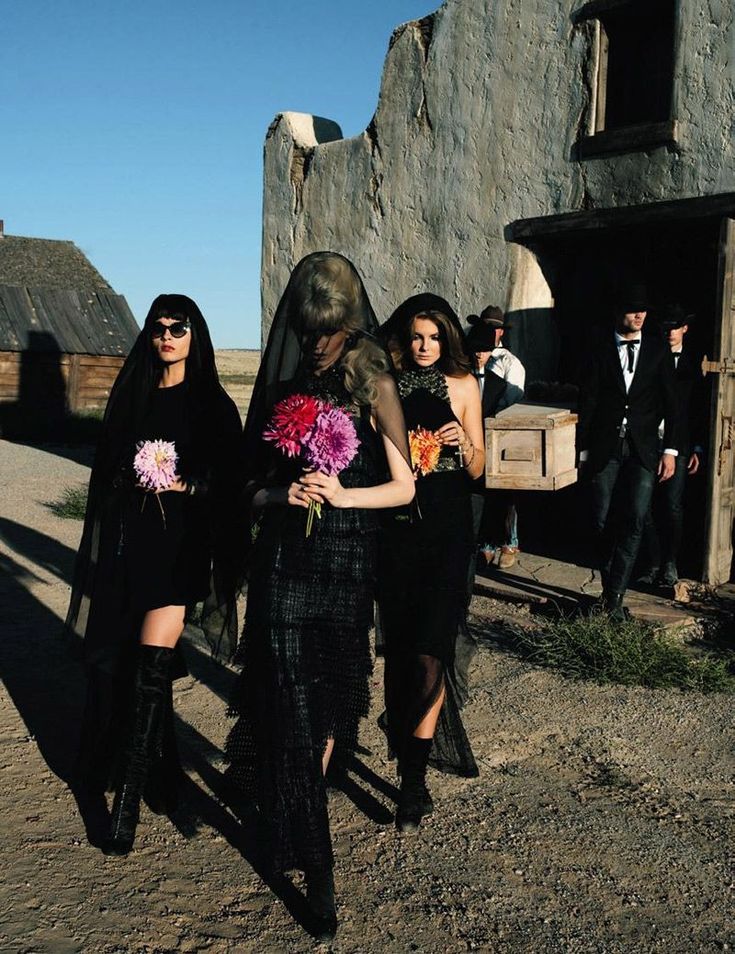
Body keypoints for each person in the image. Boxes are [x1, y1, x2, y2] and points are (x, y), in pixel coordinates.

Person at [225, 252, 414, 943]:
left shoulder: (373, 378)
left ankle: (295, 817)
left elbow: (405, 486)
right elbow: (248, 486)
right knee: (287, 702)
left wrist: (341, 493)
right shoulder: (282, 385)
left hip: (342, 562)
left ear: (348, 322)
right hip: (282, 561)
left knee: (326, 710)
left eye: (327, 331)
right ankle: (320, 866)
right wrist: (282, 491)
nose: (317, 344)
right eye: (307, 332)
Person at [66, 294, 243, 856]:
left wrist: (184, 485)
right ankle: (148, 774)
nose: (167, 336)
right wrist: (129, 479)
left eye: (178, 327)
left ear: (196, 335)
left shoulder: (211, 405)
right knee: (114, 665)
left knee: (148, 672)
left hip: (177, 554)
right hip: (128, 550)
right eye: (158, 328)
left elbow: (231, 487)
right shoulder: (134, 397)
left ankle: (125, 813)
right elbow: (108, 472)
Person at [378, 294, 483, 834]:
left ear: (447, 339)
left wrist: (463, 441)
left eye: (434, 337)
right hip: (397, 531)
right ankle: (404, 738)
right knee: (399, 650)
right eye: (416, 337)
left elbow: (479, 469)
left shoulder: (464, 386)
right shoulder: (386, 383)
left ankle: (413, 782)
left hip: (447, 528)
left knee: (432, 648)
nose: (424, 347)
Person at [577, 287, 680, 621]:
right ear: (617, 311)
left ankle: (615, 598)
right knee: (601, 519)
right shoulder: (598, 346)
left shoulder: (656, 349)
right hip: (605, 446)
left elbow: (672, 404)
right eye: (633, 309)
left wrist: (671, 451)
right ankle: (609, 590)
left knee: (635, 518)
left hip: (644, 448)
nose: (640, 315)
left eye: (644, 310)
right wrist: (580, 449)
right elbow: (588, 400)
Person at [454, 318, 507, 708]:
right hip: (452, 475)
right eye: (475, 349)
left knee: (471, 539)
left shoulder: (504, 386)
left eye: (485, 350)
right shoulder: (452, 382)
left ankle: (464, 597)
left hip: (482, 474)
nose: (479, 355)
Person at [637, 305, 704, 586]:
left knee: (672, 505)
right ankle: (652, 562)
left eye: (674, 327)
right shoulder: (649, 357)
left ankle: (670, 564)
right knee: (646, 504)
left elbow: (700, 409)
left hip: (681, 442)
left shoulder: (694, 364)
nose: (669, 333)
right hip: (651, 441)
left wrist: (698, 447)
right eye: (665, 328)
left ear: (685, 328)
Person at [468, 306, 525, 569]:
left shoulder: (509, 364)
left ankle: (507, 542)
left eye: (495, 328)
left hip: (499, 433)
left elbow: (510, 401)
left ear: (501, 332)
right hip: (474, 432)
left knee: (503, 493)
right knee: (480, 492)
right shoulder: (470, 361)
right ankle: (485, 543)